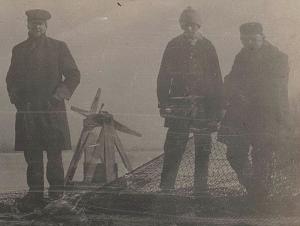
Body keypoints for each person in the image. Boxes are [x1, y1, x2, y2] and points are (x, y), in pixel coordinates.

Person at [6, 9, 80, 210]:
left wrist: (57, 97)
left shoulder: (58, 47)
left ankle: (57, 195)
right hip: (28, 112)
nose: (37, 27)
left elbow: (73, 75)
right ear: (28, 25)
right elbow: (11, 79)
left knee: (54, 154)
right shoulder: (18, 50)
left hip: (51, 110)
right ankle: (35, 196)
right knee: (32, 156)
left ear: (46, 26)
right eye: (33, 23)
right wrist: (17, 100)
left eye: (41, 24)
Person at [218, 22, 289, 206]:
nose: (248, 42)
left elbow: (274, 88)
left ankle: (259, 199)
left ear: (262, 36)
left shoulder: (278, 58)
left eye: (252, 38)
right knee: (234, 153)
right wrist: (231, 89)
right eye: (244, 39)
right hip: (241, 116)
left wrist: (244, 91)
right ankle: (255, 190)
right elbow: (231, 79)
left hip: (266, 117)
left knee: (262, 157)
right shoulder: (241, 56)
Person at [157, 7, 223, 195]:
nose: (189, 30)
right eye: (185, 26)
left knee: (203, 147)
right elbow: (163, 77)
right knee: (174, 145)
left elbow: (217, 79)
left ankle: (201, 189)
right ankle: (166, 187)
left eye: (193, 26)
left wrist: (217, 110)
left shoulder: (208, 46)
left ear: (199, 26)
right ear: (181, 26)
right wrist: (163, 104)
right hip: (178, 105)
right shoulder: (173, 45)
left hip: (204, 107)